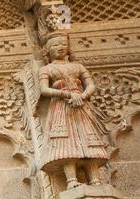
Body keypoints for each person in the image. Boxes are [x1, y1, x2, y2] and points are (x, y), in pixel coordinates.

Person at [39, 32, 109, 189]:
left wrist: (83, 96)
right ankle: (71, 180)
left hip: (81, 106)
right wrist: (67, 94)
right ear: (47, 50)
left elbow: (90, 85)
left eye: (63, 44)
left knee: (88, 140)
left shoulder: (78, 66)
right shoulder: (47, 69)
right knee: (66, 142)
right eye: (56, 45)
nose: (60, 47)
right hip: (62, 107)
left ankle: (95, 179)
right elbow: (44, 90)